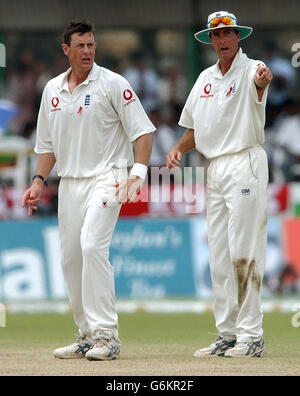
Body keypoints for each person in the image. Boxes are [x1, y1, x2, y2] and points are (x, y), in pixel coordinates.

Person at [22, 20, 155, 361]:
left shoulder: (113, 83)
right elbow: (47, 146)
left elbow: (143, 131)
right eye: (80, 46)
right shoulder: (52, 89)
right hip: (69, 184)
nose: (87, 51)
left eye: (91, 45)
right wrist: (39, 181)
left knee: (93, 245)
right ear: (65, 50)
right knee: (71, 260)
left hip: (107, 178)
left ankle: (107, 336)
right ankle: (87, 334)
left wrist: (136, 173)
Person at [166, 11, 272, 358]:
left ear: (237, 36)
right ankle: (227, 334)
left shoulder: (252, 67)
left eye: (228, 34)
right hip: (216, 169)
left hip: (245, 161)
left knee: (245, 250)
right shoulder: (204, 79)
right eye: (216, 35)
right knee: (219, 256)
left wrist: (263, 81)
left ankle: (251, 335)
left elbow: (261, 81)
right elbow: (196, 129)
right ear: (210, 41)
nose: (223, 40)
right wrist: (177, 149)